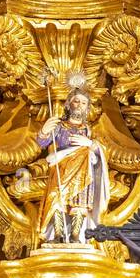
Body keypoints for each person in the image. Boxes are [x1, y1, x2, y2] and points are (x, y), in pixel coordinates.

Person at [35, 88, 108, 244]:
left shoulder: (89, 130)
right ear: (68, 105)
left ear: (87, 108)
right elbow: (42, 143)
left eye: (83, 103)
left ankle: (76, 236)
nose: (79, 105)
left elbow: (103, 150)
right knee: (56, 200)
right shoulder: (59, 126)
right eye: (76, 101)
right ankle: (58, 234)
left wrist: (90, 144)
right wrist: (44, 131)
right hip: (61, 168)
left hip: (83, 171)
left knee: (79, 202)